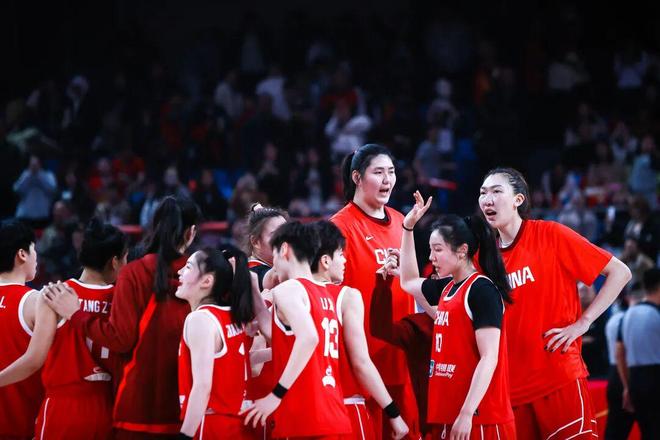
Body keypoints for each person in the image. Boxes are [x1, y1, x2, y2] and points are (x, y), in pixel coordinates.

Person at [478, 168, 631, 439]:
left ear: (518, 199)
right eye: (482, 193)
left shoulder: (551, 234)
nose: (487, 199)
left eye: (496, 191)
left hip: (558, 378)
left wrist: (584, 322)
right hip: (510, 389)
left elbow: (620, 273)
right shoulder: (483, 258)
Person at [45, 195, 202, 439]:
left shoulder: (133, 273)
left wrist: (76, 315)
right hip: (185, 406)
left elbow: (120, 339)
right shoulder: (204, 277)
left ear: (154, 227)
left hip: (133, 407)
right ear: (191, 233)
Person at [399, 191, 516, 439]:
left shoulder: (482, 290)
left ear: (462, 251)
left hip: (480, 419)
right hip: (449, 413)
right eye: (430, 250)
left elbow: (489, 358)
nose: (431, 257)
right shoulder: (448, 287)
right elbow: (407, 281)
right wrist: (408, 228)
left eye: (437, 249)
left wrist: (466, 413)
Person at [1, 218, 128, 439]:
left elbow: (34, 359)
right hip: (108, 406)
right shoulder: (122, 299)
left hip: (61, 406)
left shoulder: (53, 294)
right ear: (115, 262)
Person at [330, 144, 417, 438]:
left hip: (401, 358)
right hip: (363, 364)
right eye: (378, 172)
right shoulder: (339, 227)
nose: (387, 180)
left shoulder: (402, 222)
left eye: (391, 172)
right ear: (357, 177)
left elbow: (413, 283)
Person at [242, 221, 352, 438]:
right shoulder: (324, 293)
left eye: (274, 255)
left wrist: (276, 394)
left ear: (284, 249)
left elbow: (308, 338)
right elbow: (283, 338)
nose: (274, 265)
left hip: (305, 415)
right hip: (333, 413)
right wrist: (254, 290)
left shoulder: (289, 289)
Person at [311, 220, 409, 440]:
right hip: (346, 407)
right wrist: (393, 412)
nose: (345, 260)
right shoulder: (347, 296)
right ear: (325, 260)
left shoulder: (290, 294)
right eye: (341, 254)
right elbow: (361, 364)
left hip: (307, 412)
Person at [176, 247, 254, 439]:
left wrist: (185, 436)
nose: (179, 271)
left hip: (209, 424)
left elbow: (202, 386)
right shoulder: (231, 315)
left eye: (188, 267)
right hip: (234, 425)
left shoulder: (200, 319)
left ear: (207, 281)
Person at [0, 220, 43, 439]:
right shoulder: (36, 301)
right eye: (34, 250)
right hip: (23, 426)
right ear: (22, 254)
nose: (37, 258)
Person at [619, 268, 660, 439]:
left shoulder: (627, 314)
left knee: (647, 432)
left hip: (635, 379)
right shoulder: (656, 313)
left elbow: (619, 351)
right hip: (655, 378)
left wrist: (626, 386)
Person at [604, 292, 640, 440]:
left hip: (616, 376)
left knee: (615, 430)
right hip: (633, 373)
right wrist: (627, 386)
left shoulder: (615, 319)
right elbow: (620, 353)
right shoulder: (632, 318)